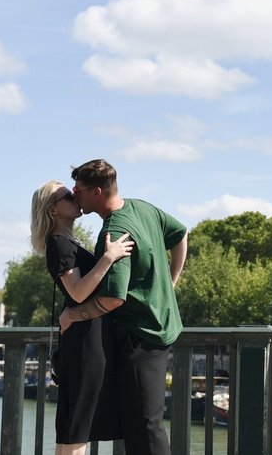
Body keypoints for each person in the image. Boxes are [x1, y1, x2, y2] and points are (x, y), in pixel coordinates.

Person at [60, 159, 187, 455]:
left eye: (78, 190)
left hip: (139, 335)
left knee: (144, 425)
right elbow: (181, 234)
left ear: (98, 192)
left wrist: (73, 315)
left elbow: (113, 298)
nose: (74, 195)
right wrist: (171, 282)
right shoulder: (142, 207)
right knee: (145, 422)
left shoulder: (115, 231)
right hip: (162, 326)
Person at [30, 180, 135, 455]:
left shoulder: (65, 242)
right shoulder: (59, 244)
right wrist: (108, 258)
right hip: (84, 341)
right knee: (78, 422)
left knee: (75, 422)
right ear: (53, 211)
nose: (75, 195)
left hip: (84, 337)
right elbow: (77, 293)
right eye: (67, 195)